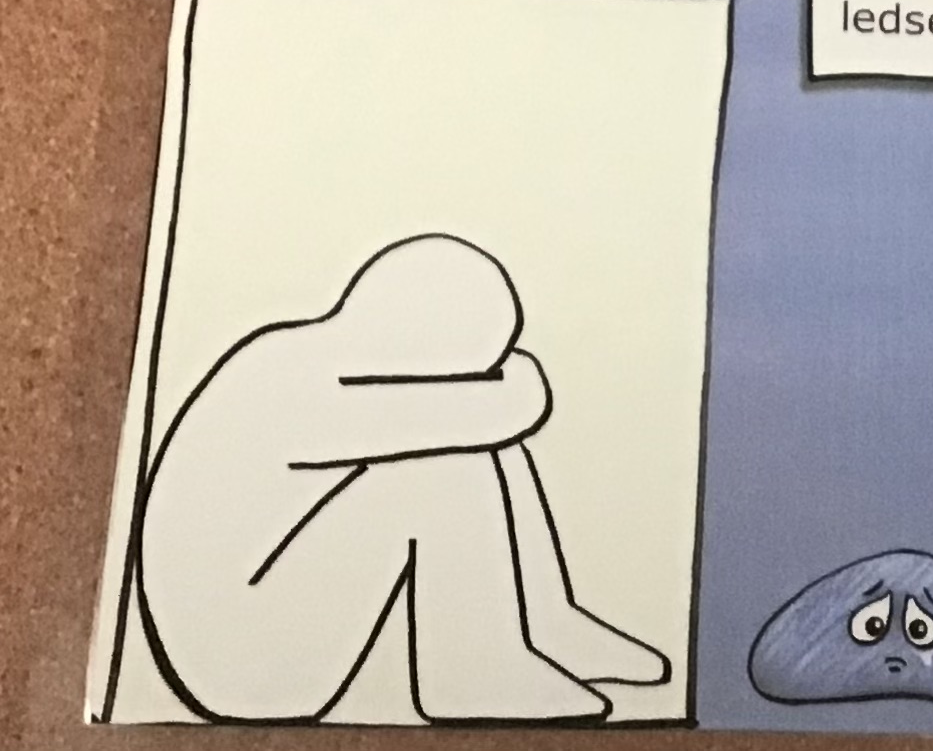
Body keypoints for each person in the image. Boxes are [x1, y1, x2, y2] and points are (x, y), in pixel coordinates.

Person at [138, 234, 668, 722]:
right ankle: (472, 672)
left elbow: (500, 409)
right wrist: (507, 385)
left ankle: (548, 623)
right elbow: (512, 403)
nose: (478, 378)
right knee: (441, 469)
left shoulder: (318, 356)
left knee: (488, 446)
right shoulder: (297, 380)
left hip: (265, 605)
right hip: (243, 660)